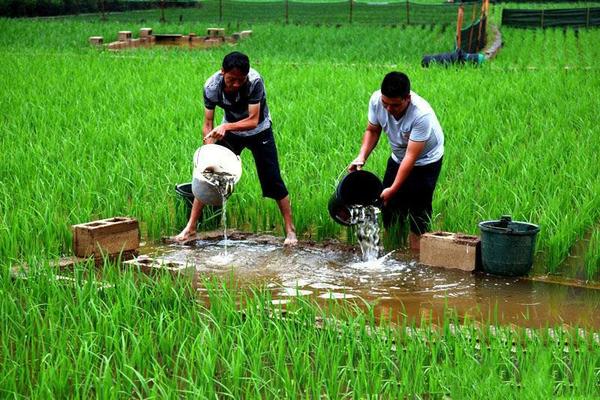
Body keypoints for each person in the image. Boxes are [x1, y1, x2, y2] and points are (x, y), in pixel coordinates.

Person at [176, 51, 297, 246]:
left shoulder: (255, 82)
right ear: (222, 72)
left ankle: (290, 231)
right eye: (231, 79)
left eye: (240, 80)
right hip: (230, 132)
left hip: (259, 131)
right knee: (207, 175)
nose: (236, 84)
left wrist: (226, 127)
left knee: (272, 180)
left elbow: (253, 120)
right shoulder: (211, 87)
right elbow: (208, 122)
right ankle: (190, 228)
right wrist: (209, 153)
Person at [348, 72, 444, 252]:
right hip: (398, 156)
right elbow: (372, 130)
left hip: (425, 161)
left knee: (418, 213)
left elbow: (410, 158)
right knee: (389, 208)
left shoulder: (422, 114)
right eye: (386, 104)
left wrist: (394, 188)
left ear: (407, 98)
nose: (389, 110)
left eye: (395, 105)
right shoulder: (377, 101)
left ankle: (416, 258)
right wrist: (362, 156)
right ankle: (394, 251)